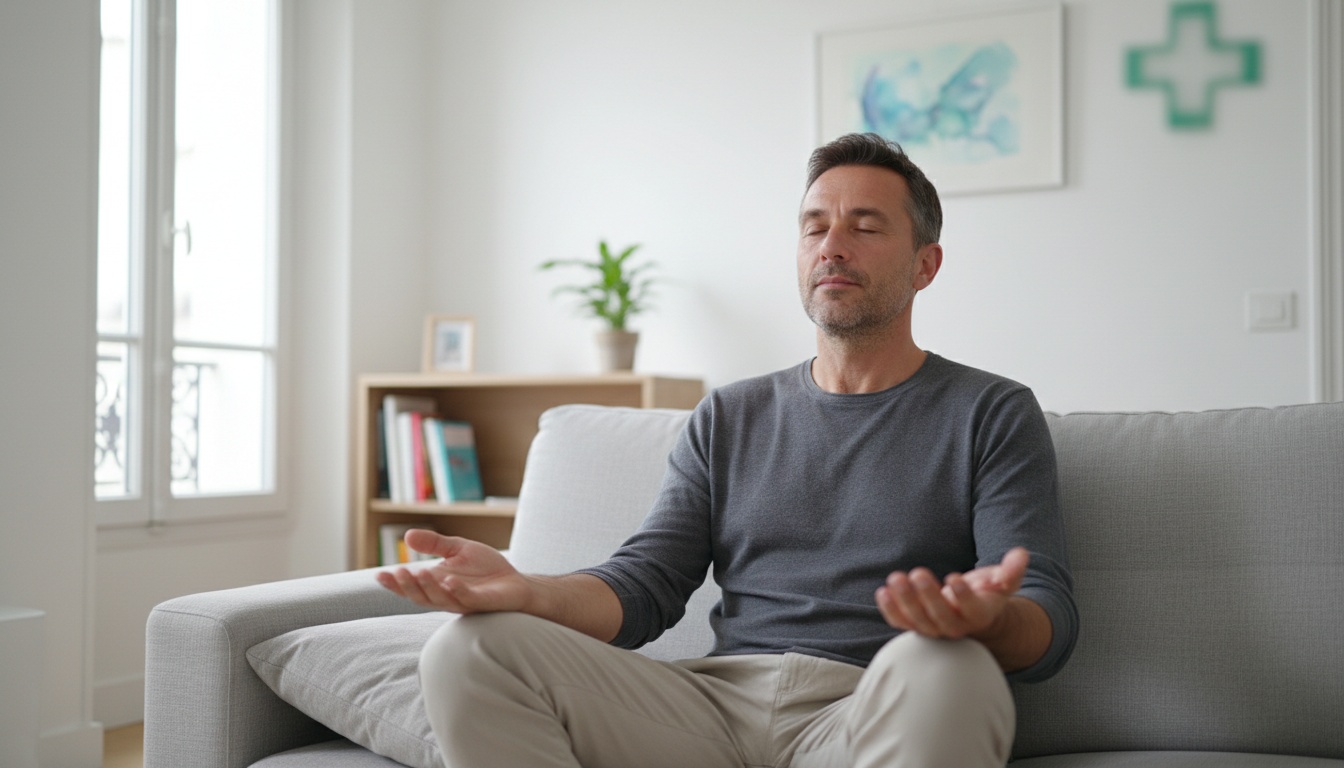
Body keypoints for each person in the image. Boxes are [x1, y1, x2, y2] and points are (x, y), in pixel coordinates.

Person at [377, 132, 1078, 768]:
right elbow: (645, 585)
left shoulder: (990, 410)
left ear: (926, 265)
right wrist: (529, 592)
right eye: (814, 227)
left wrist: (987, 620)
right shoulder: (729, 414)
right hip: (708, 711)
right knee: (471, 650)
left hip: (870, 707)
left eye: (865, 226)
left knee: (954, 669)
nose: (832, 244)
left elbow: (1045, 612)